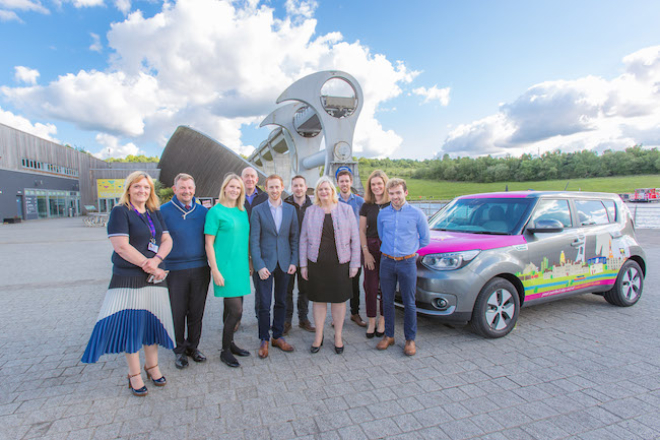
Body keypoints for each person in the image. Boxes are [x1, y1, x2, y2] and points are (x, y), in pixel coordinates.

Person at [82, 171, 174, 397]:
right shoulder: (120, 212)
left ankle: (152, 366)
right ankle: (134, 374)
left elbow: (167, 239)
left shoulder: (154, 212)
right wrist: (148, 264)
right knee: (131, 327)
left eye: (146, 187)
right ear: (129, 189)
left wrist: (157, 260)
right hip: (128, 277)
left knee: (151, 323)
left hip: (152, 275)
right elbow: (121, 246)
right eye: (137, 187)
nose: (142, 191)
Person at [300, 176, 360, 354]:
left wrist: (354, 264)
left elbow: (355, 239)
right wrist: (303, 265)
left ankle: (338, 336)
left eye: (327, 189)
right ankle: (318, 335)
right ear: (317, 192)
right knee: (318, 301)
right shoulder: (310, 211)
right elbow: (303, 240)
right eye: (320, 189)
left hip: (340, 263)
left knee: (339, 300)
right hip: (317, 264)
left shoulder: (346, 209)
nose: (324, 192)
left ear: (333, 191)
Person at [160, 173, 210, 370]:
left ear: (194, 189)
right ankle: (179, 350)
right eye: (182, 188)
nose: (186, 191)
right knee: (177, 312)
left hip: (200, 268)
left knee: (196, 311)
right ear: (175, 189)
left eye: (190, 187)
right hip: (174, 270)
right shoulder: (163, 211)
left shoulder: (204, 212)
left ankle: (193, 347)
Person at [376, 178, 430, 356]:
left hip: (407, 262)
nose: (395, 196)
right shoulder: (383, 214)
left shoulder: (417, 214)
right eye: (391, 193)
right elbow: (382, 236)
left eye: (398, 193)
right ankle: (389, 335)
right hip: (387, 262)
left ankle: (410, 339)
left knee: (409, 302)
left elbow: (424, 240)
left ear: (405, 192)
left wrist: (410, 252)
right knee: (387, 300)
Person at [250, 174, 299, 358]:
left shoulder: (290, 210)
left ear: (282, 187)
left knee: (281, 301)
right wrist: (259, 265)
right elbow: (254, 241)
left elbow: (294, 238)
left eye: (277, 187)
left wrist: (294, 261)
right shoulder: (258, 210)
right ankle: (264, 339)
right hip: (265, 265)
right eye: (271, 187)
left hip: (285, 264)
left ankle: (277, 336)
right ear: (266, 188)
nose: (274, 190)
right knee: (264, 303)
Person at [205, 174, 251, 368]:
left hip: (240, 266)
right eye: (231, 186)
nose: (234, 190)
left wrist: (249, 262)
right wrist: (214, 269)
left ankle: (231, 344)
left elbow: (244, 239)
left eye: (238, 188)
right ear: (224, 188)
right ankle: (224, 351)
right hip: (225, 267)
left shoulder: (242, 211)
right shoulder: (215, 212)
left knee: (233, 309)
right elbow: (208, 243)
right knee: (236, 310)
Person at [228, 166, 268, 332]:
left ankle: (261, 317)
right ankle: (235, 319)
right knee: (239, 286)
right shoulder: (235, 197)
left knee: (261, 287)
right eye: (246, 176)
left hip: (260, 249)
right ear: (241, 178)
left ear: (257, 179)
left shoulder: (265, 197)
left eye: (252, 176)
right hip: (240, 250)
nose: (250, 179)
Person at [359, 170, 390, 339]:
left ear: (385, 185)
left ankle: (383, 320)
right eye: (373, 184)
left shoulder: (392, 204)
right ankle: (371, 320)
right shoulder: (366, 206)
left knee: (386, 286)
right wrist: (365, 252)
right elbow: (362, 230)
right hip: (370, 248)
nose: (376, 187)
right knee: (369, 287)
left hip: (388, 250)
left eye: (379, 183)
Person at [283, 175, 315, 334]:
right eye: (295, 185)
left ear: (305, 186)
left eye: (301, 185)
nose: (298, 188)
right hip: (288, 254)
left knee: (305, 289)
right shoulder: (285, 204)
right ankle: (286, 320)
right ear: (291, 187)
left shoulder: (313, 206)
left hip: (307, 255)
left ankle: (303, 319)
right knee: (286, 289)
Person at [336, 168, 366, 328]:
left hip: (355, 249)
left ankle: (355, 313)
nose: (344, 184)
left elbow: (364, 225)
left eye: (347, 181)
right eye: (341, 181)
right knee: (339, 282)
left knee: (355, 282)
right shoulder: (334, 201)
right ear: (338, 183)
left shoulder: (360, 202)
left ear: (351, 182)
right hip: (339, 248)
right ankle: (336, 316)